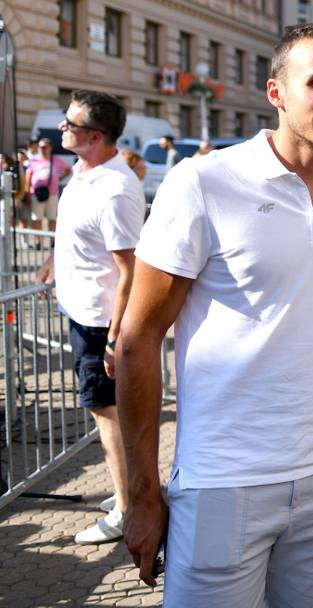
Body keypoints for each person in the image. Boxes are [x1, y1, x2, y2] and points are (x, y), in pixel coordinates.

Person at [115, 21, 313, 605]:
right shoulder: (205, 182)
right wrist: (140, 493)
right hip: (225, 479)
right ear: (276, 92)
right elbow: (138, 339)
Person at [35, 90, 145, 543]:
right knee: (107, 414)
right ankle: (129, 493)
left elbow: (130, 270)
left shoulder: (116, 190)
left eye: (69, 124)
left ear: (94, 136)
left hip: (101, 323)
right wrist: (53, 261)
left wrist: (116, 339)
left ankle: (127, 510)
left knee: (108, 416)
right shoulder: (82, 174)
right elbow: (77, 235)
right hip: (82, 313)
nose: (60, 129)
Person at [24, 137, 72, 231]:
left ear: (50, 148)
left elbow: (68, 170)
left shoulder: (57, 160)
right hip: (37, 194)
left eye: (45, 147)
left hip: (52, 194)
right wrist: (27, 194)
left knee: (52, 219)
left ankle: (52, 242)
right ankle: (37, 243)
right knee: (37, 219)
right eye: (40, 147)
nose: (42, 149)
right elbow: (28, 177)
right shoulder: (34, 161)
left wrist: (59, 179)